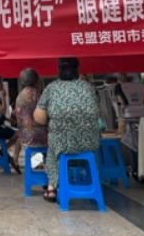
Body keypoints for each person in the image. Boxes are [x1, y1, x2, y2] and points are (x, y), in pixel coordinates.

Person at [34, 58, 101, 202]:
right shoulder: (88, 87)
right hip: (89, 143)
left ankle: (52, 188)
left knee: (52, 152)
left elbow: (40, 119)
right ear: (77, 70)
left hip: (62, 145)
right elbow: (96, 111)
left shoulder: (51, 88)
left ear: (59, 70)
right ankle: (89, 181)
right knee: (84, 150)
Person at [16, 67, 47, 151]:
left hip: (24, 136)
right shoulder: (36, 94)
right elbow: (44, 114)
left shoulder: (19, 95)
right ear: (36, 80)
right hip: (37, 136)